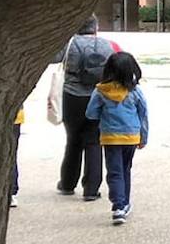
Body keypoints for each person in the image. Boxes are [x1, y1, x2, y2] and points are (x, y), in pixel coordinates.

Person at [56, 14, 116, 200]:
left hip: (72, 96)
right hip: (98, 96)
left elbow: (54, 57)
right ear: (95, 27)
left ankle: (67, 183)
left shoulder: (70, 44)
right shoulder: (107, 45)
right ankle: (91, 189)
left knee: (73, 139)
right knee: (94, 141)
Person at [86, 52, 149, 227]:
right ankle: (124, 203)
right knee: (125, 169)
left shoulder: (100, 91)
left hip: (110, 137)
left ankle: (118, 206)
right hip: (131, 136)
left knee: (114, 171)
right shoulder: (135, 92)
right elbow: (143, 114)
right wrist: (144, 136)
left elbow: (90, 113)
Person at [10, 107, 23, 208]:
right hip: (16, 114)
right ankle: (11, 191)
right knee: (11, 155)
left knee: (10, 155)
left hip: (15, 115)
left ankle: (11, 190)